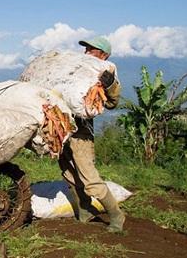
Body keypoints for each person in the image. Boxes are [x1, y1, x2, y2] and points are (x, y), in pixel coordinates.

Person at [58, 36, 125, 232]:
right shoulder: (79, 70)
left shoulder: (104, 73)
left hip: (82, 133)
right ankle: (85, 210)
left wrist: (110, 85)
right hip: (63, 129)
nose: (86, 52)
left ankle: (116, 216)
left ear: (104, 55)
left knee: (89, 177)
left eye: (91, 49)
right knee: (68, 171)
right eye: (86, 49)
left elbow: (113, 104)